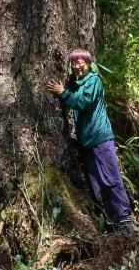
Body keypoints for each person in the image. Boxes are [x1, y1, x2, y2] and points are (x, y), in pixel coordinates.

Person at [47, 49, 134, 236]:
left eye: (82, 62)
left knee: (111, 180)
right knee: (95, 186)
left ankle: (125, 222)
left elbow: (83, 103)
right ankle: (110, 224)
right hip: (86, 143)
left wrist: (63, 93)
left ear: (89, 64)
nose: (78, 66)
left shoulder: (93, 80)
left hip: (100, 138)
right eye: (74, 62)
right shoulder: (77, 84)